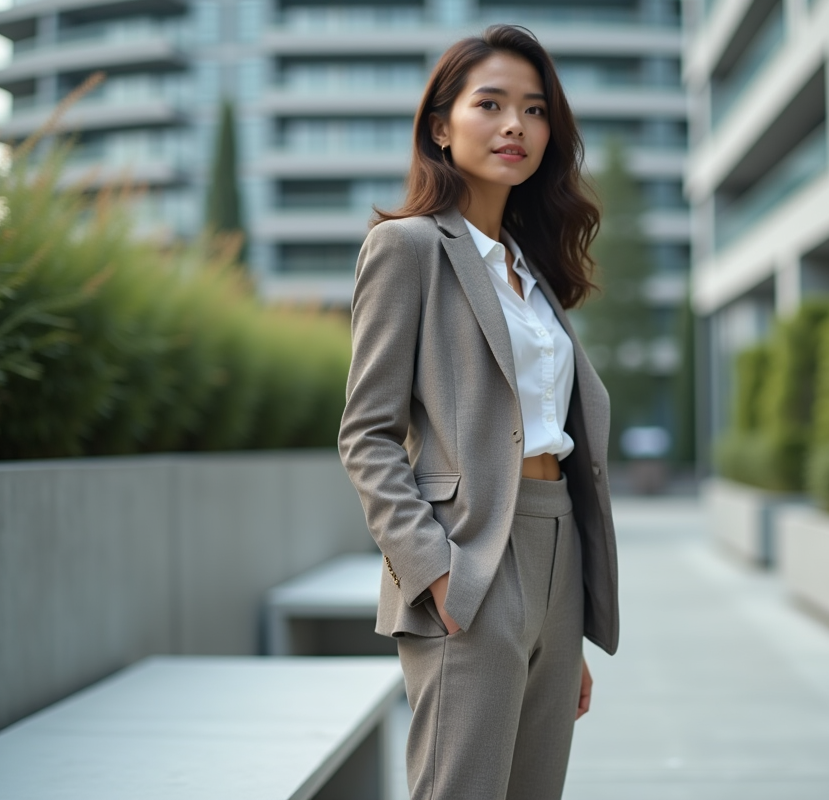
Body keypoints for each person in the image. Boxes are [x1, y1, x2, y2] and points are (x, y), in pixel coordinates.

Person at [338, 24, 619, 800]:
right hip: (470, 558)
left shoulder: (533, 272)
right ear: (441, 126)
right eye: (490, 104)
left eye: (534, 110)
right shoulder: (408, 249)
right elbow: (366, 435)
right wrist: (437, 575)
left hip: (558, 553)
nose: (514, 126)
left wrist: (565, 624)